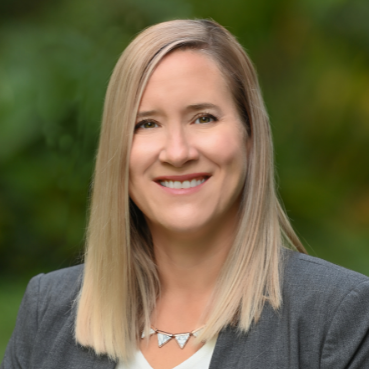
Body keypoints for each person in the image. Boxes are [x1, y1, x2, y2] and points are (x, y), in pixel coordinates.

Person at [2, 19, 369, 369]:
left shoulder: (339, 314)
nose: (177, 152)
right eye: (146, 124)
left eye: (203, 118)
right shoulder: (47, 311)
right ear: (118, 151)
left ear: (250, 136)